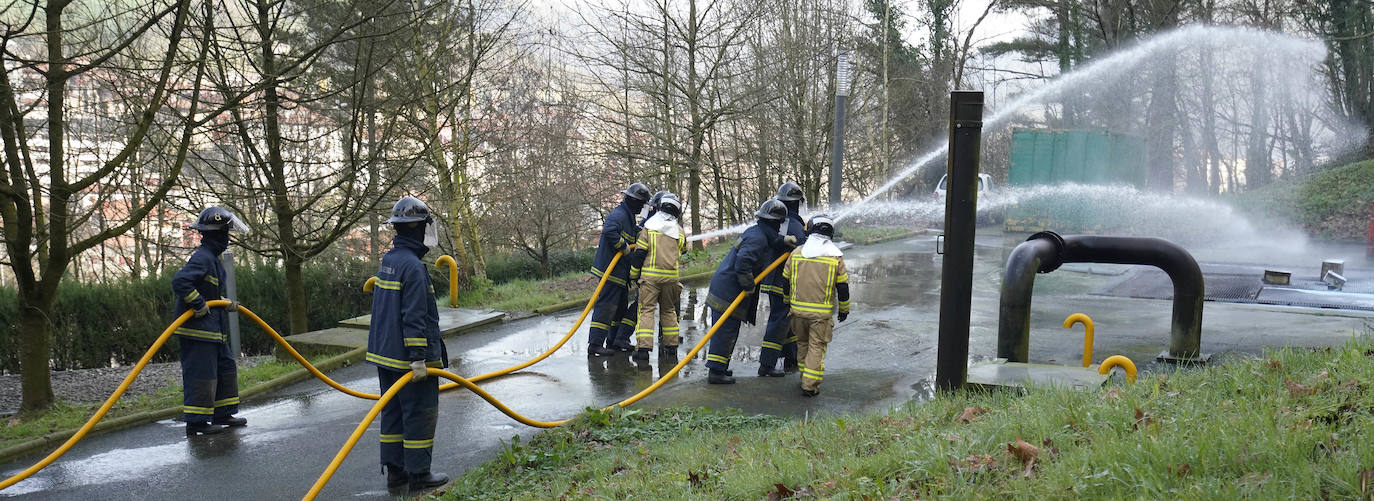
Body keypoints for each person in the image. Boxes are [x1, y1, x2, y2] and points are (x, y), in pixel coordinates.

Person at [367, 196, 450, 492]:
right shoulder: (413, 267)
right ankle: (419, 474)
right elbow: (414, 316)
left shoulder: (388, 261)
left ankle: (396, 472)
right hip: (408, 359)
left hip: (385, 355)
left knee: (392, 411)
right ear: (419, 229)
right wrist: (418, 358)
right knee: (419, 412)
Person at [172, 207, 250, 437]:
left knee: (226, 369)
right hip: (197, 333)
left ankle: (222, 413)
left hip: (213, 332)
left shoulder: (212, 259)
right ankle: (196, 423)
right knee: (202, 375)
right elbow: (181, 282)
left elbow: (208, 289)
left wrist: (221, 302)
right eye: (225, 233)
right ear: (217, 234)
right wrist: (198, 304)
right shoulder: (203, 257)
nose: (227, 238)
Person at [702, 199, 797, 384]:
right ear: (774, 222)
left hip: (725, 288)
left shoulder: (759, 232)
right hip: (728, 292)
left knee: (728, 331)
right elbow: (743, 262)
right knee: (725, 332)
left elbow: (771, 239)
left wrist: (783, 241)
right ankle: (715, 373)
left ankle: (720, 367)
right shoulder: (758, 238)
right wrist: (748, 286)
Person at [781, 214, 850, 397]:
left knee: (802, 343)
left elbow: (785, 281)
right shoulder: (835, 257)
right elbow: (843, 287)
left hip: (797, 313)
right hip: (820, 317)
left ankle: (805, 375)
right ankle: (809, 385)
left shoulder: (796, 254)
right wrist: (844, 309)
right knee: (816, 347)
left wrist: (787, 302)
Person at [588, 182, 651, 356]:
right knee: (606, 308)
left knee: (620, 309)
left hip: (619, 274)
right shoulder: (619, 215)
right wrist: (623, 247)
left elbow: (635, 233)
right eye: (642, 204)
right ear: (634, 201)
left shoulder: (628, 216)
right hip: (611, 272)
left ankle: (614, 342)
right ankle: (595, 344)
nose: (642, 207)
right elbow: (609, 231)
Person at [758, 182, 808, 377]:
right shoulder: (794, 225)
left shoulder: (782, 222)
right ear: (796, 203)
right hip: (784, 282)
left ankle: (791, 357)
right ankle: (767, 364)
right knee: (779, 321)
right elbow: (804, 253)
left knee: (787, 320)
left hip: (775, 279)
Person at [628, 194, 686, 361]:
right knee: (669, 311)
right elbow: (683, 250)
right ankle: (671, 347)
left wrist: (633, 274)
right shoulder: (679, 231)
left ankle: (643, 350)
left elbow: (639, 254)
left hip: (650, 280)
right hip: (671, 280)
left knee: (646, 311)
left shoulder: (649, 228)